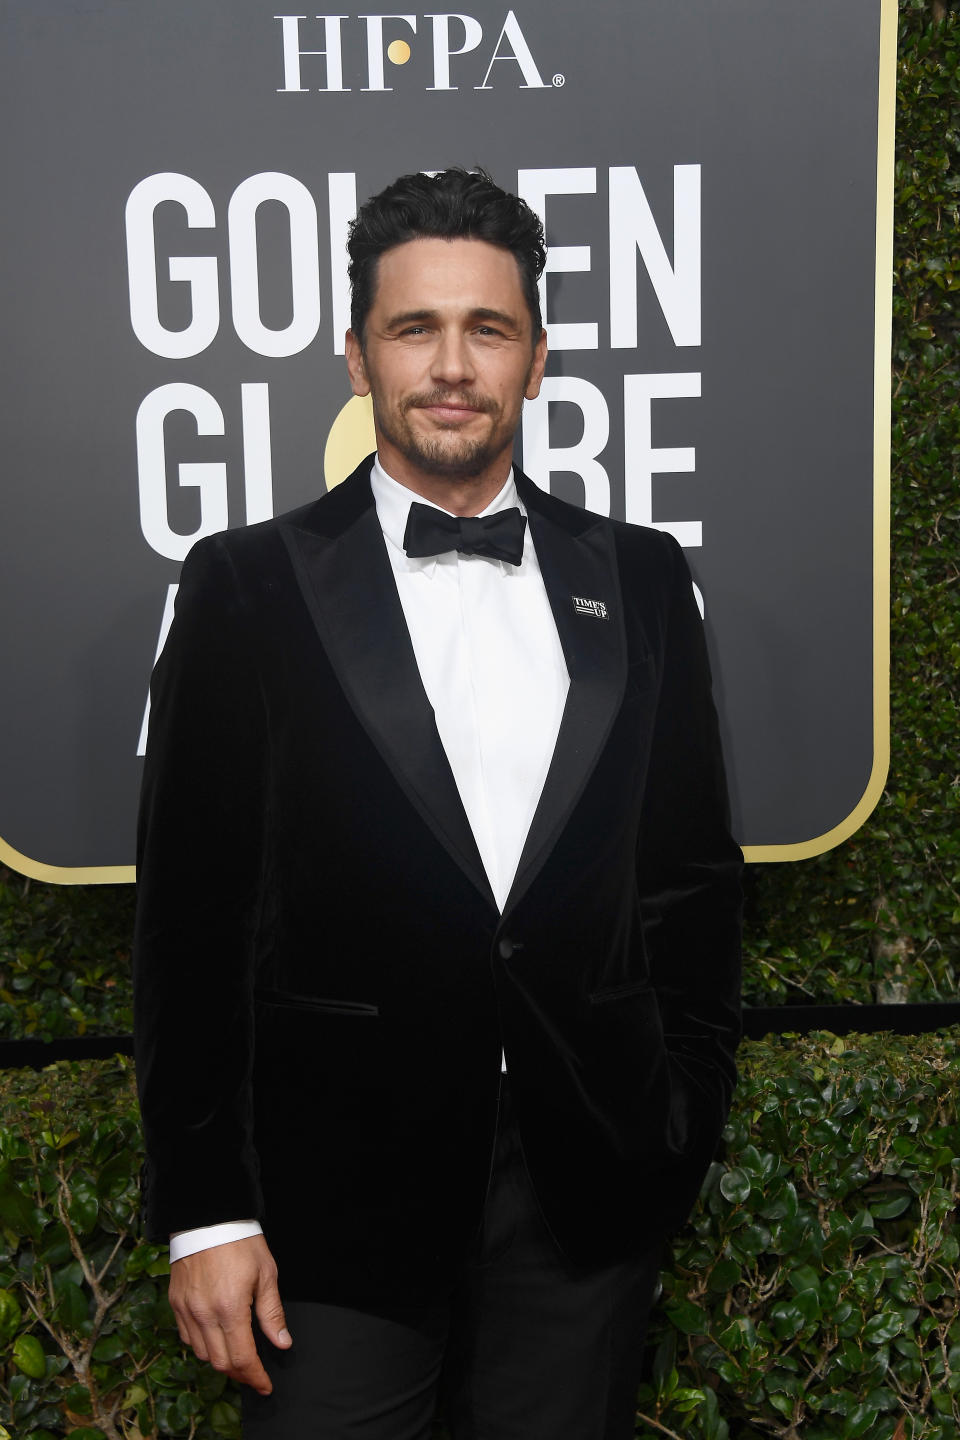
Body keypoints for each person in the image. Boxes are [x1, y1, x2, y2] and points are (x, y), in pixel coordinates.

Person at [133, 167, 742, 1440]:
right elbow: (191, 928)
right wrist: (209, 1212)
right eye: (415, 328)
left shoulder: (637, 575)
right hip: (331, 1203)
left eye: (488, 328)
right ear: (358, 357)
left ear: (535, 356)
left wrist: (672, 1124)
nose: (451, 365)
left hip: (583, 1188)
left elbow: (685, 882)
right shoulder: (245, 586)